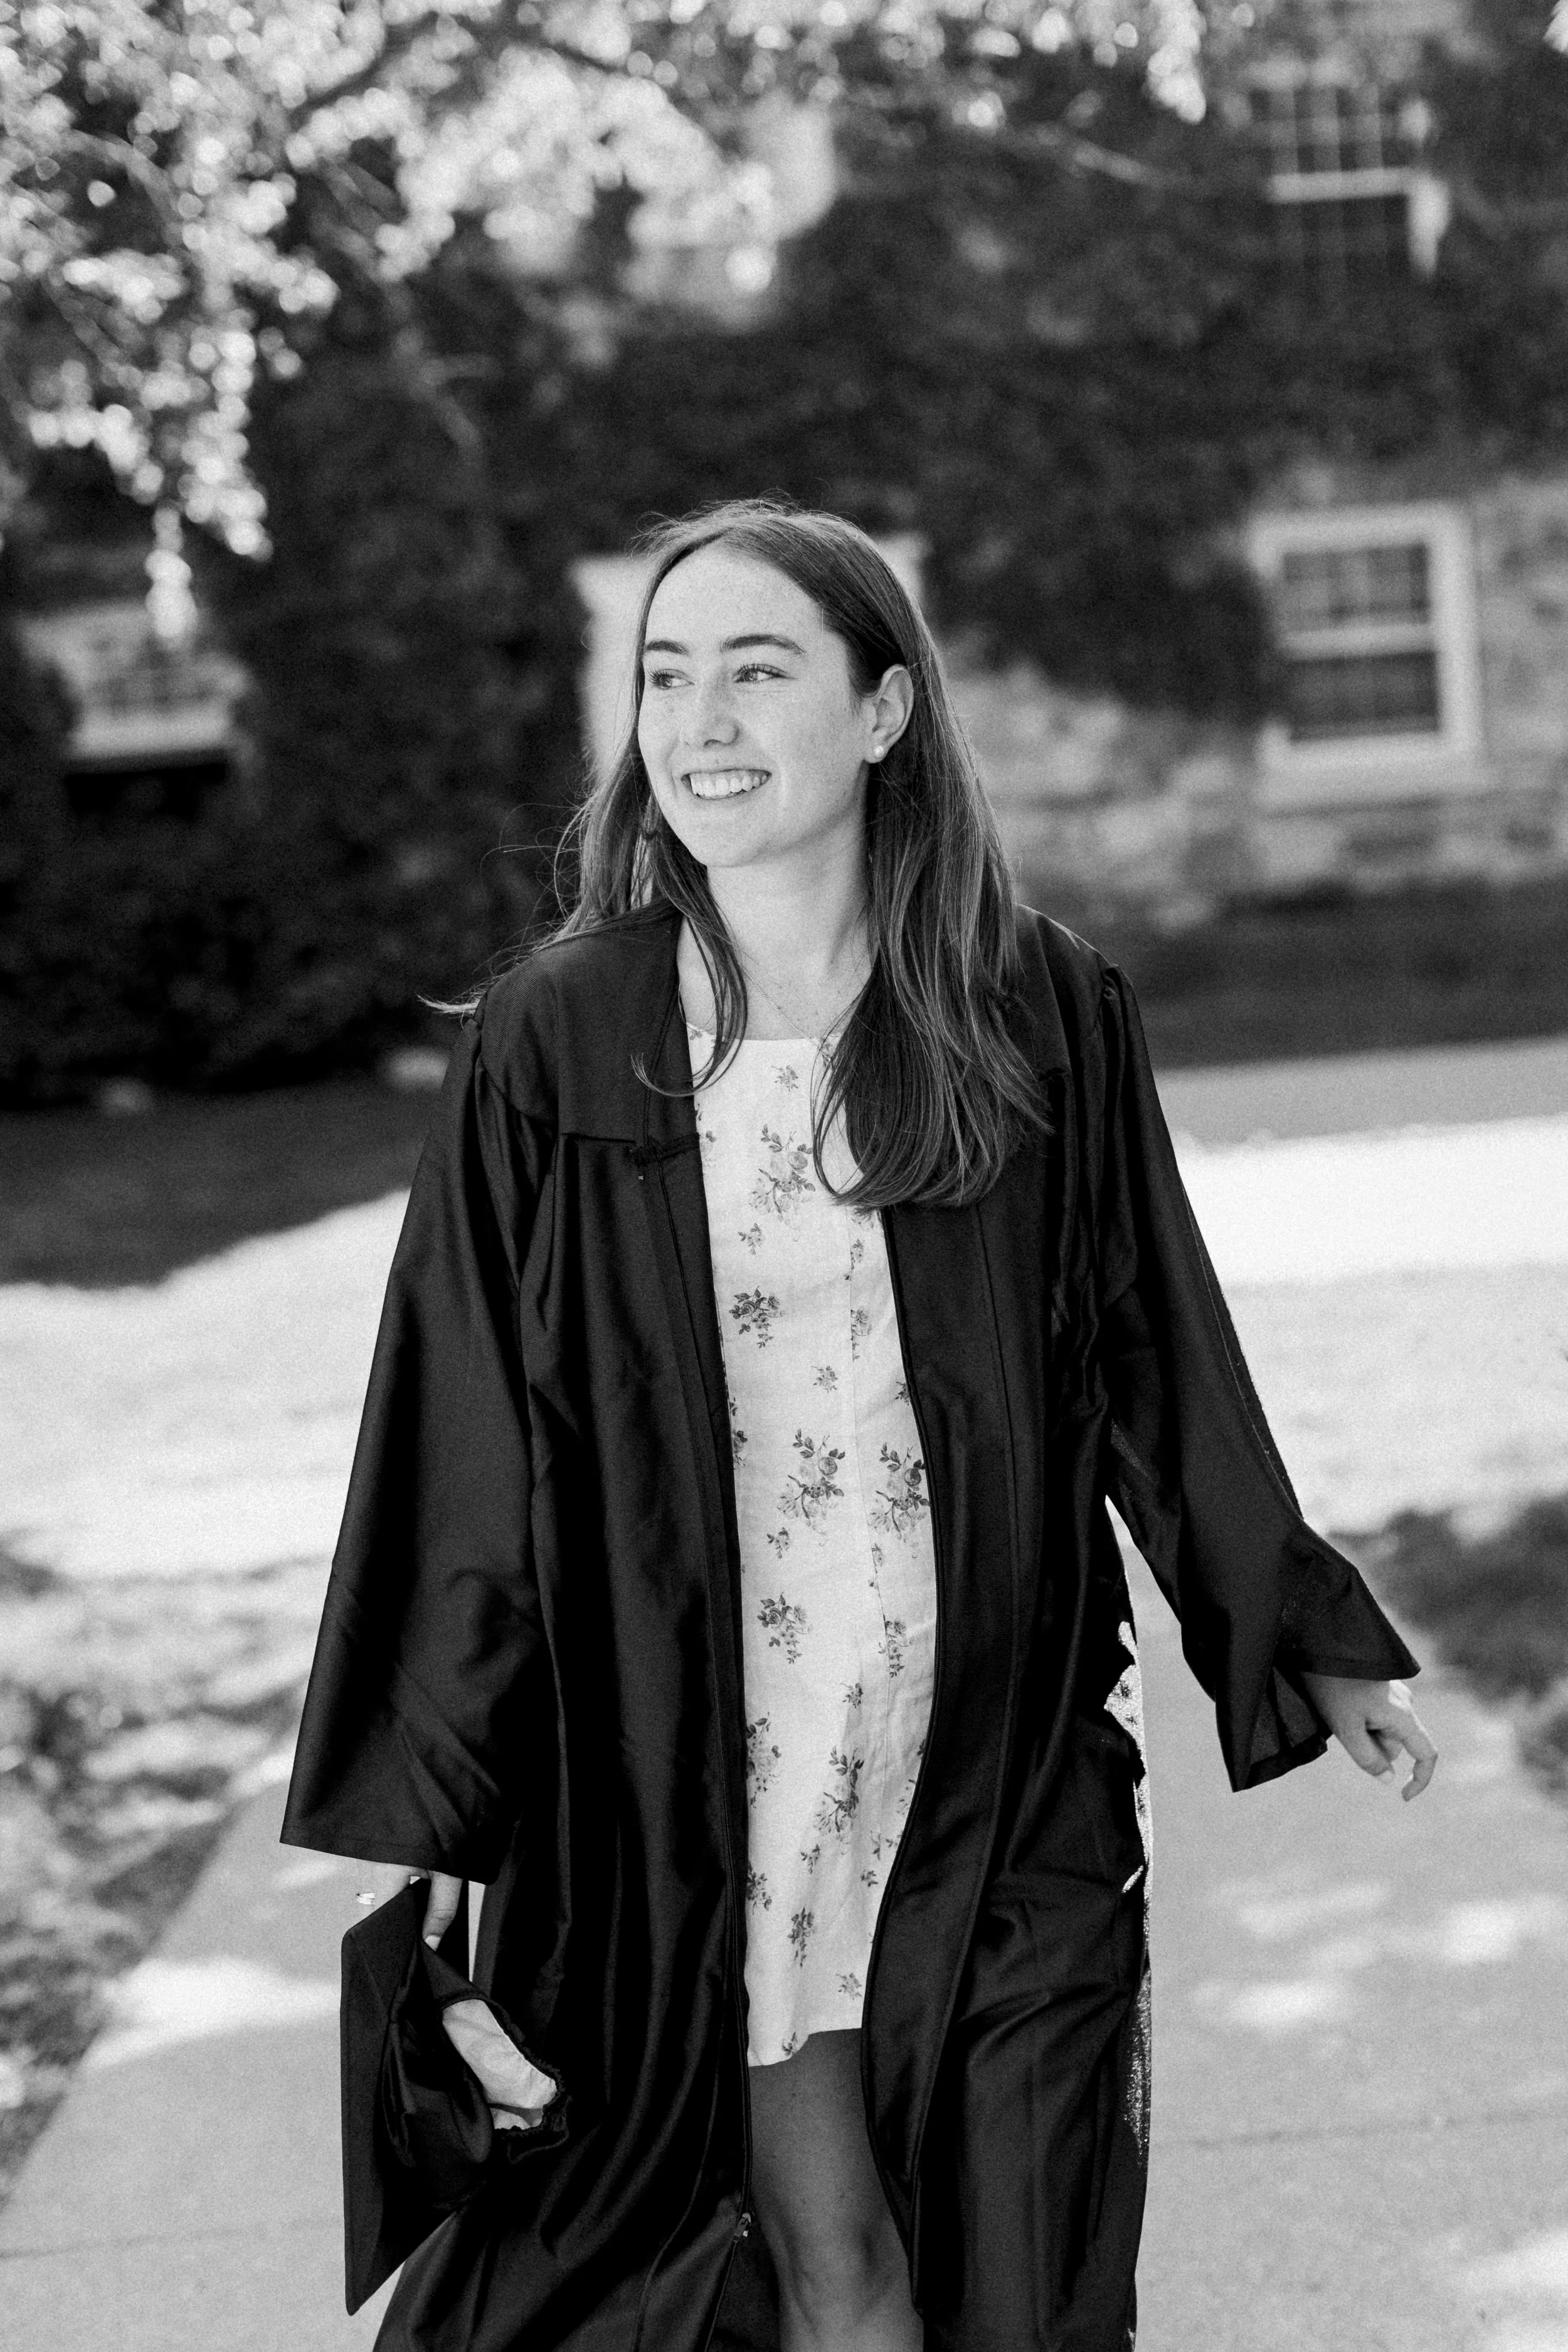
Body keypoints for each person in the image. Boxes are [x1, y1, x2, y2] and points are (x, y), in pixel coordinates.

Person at [282, 498, 1437, 2352]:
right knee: (828, 2264)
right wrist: (437, 1801)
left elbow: (1151, 1339)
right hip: (697, 1775)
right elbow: (461, 1439)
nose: (701, 723)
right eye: (666, 677)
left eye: (760, 671)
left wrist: (1287, 1617)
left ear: (886, 711)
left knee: (1026, 2253)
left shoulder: (1026, 1010)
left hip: (991, 1750)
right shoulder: (555, 1044)